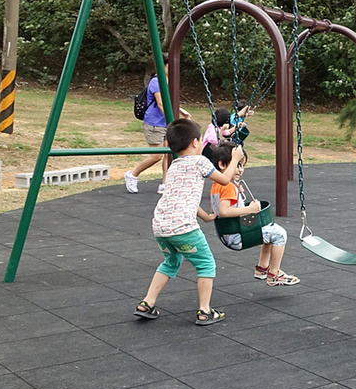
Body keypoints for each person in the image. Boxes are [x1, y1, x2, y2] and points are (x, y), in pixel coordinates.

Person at [133, 118, 242, 326]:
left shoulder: (174, 166)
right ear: (194, 142)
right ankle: (204, 311)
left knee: (171, 261)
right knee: (206, 264)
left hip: (160, 226)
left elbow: (180, 197)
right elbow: (225, 179)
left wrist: (205, 216)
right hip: (182, 227)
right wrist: (235, 158)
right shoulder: (200, 161)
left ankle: (147, 303)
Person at [206, 143, 300, 286]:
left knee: (269, 229)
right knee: (280, 234)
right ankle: (274, 274)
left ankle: (262, 268)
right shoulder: (228, 186)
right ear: (222, 165)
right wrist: (249, 209)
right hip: (237, 236)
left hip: (227, 234)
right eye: (237, 164)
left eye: (242, 165)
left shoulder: (216, 185)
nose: (240, 169)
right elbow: (224, 211)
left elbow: (215, 210)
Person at [125, 73, 191, 195]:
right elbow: (161, 104)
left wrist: (180, 111)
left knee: (168, 155)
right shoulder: (156, 81)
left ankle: (165, 184)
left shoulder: (168, 80)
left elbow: (169, 102)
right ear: (165, 66)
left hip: (165, 123)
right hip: (154, 123)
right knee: (157, 155)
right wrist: (173, 120)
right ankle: (133, 174)